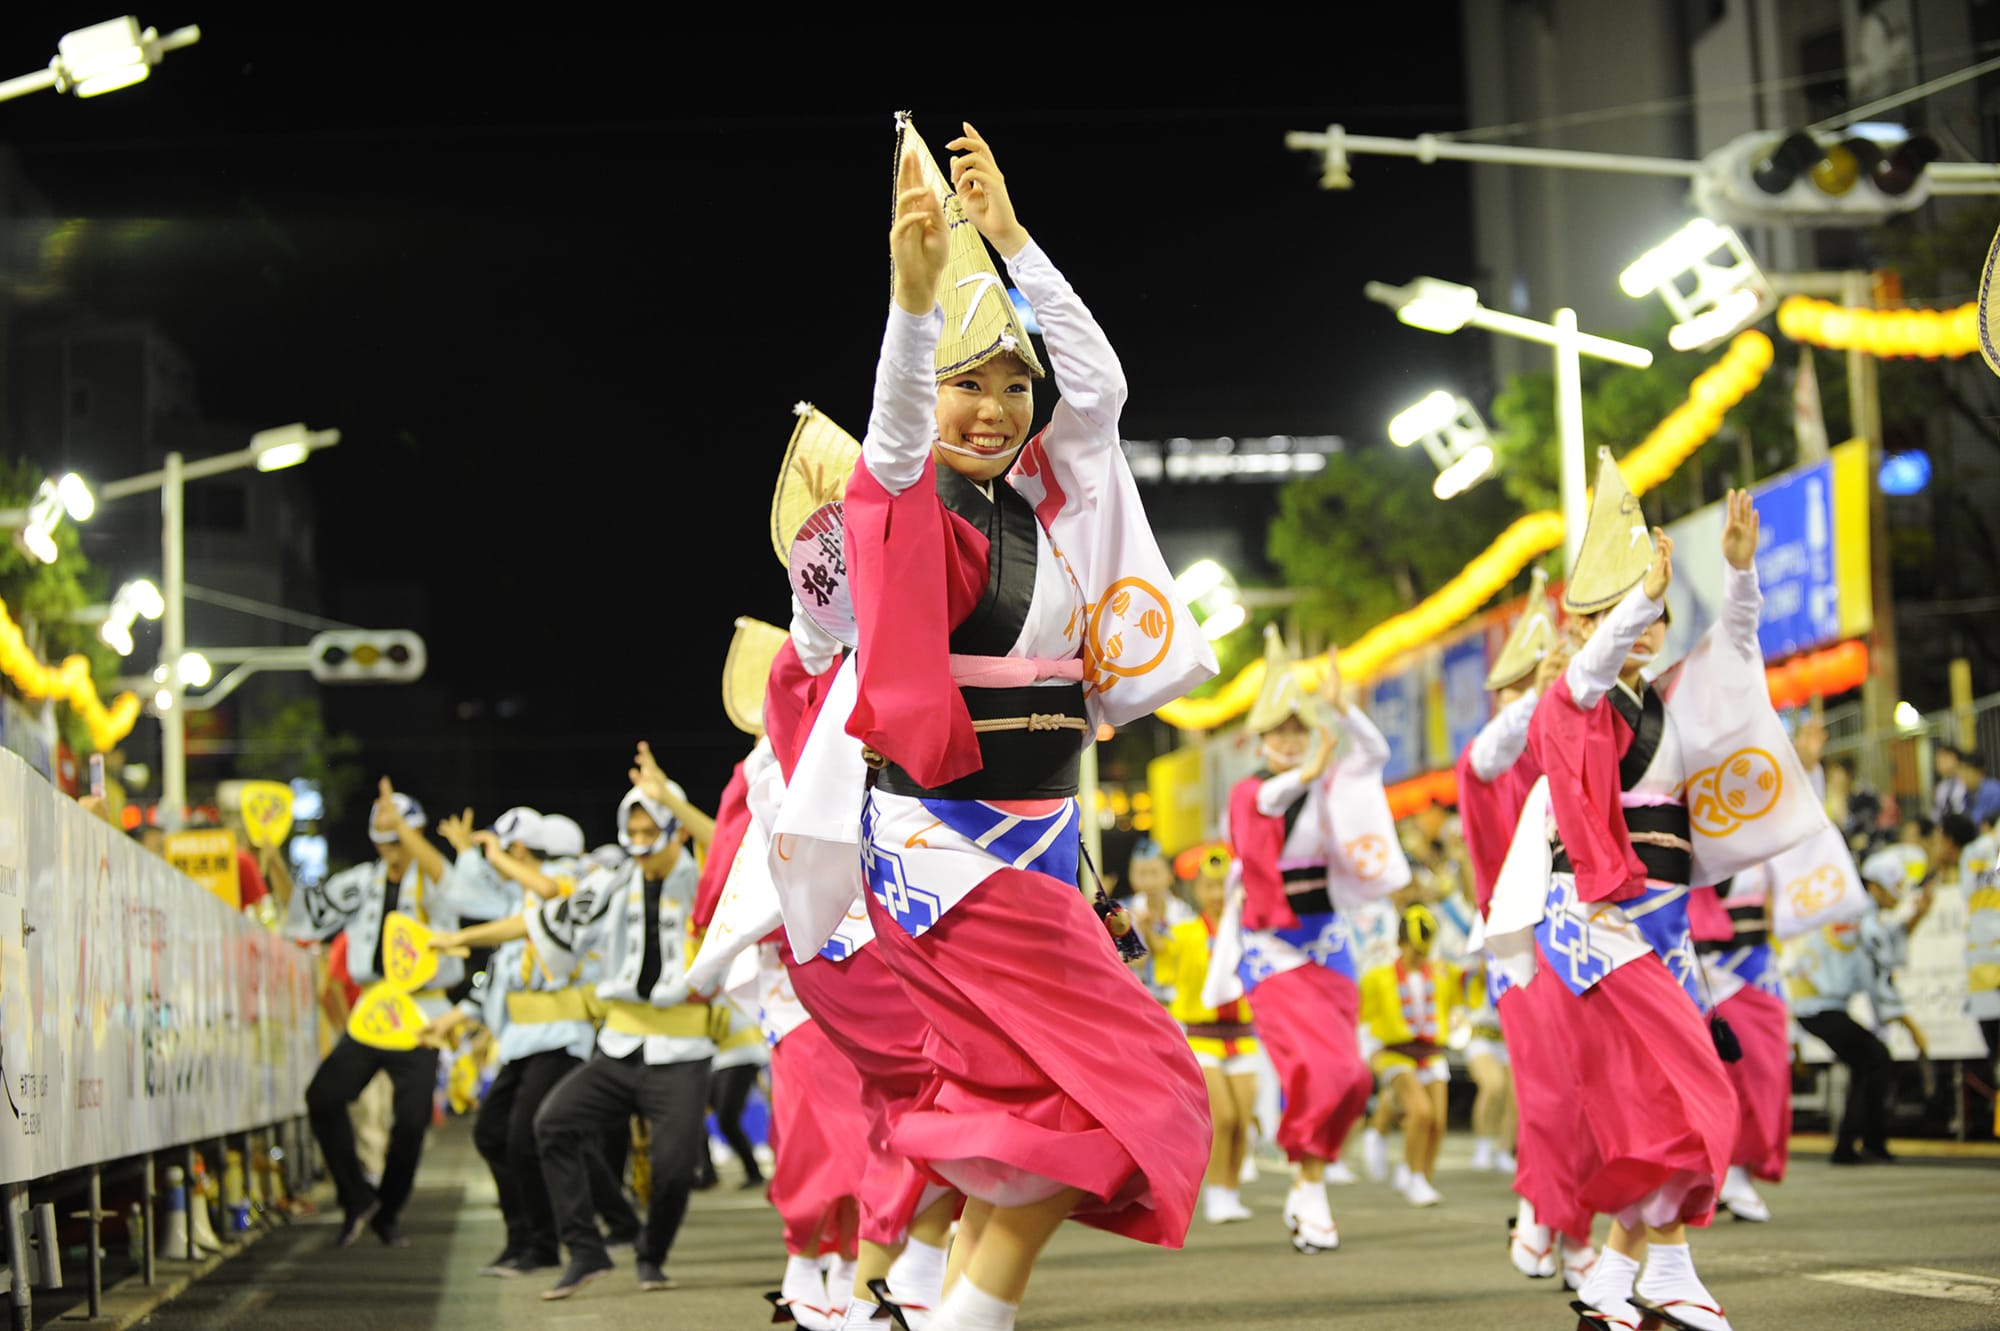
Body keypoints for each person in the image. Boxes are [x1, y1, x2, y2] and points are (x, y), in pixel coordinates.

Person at [775, 118, 1219, 1331]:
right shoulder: (923, 514)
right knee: (1134, 1085)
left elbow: (1103, 389)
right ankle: (961, 1309)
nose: (992, 407)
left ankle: (932, 1294)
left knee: (1028, 1100)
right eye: (968, 384)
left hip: (1034, 843)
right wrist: (912, 315)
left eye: (1011, 381)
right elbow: (891, 452)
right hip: (954, 851)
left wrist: (1014, 241)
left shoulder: (1044, 501)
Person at [1491, 462, 1783, 1331]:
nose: (1644, 623)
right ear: (1581, 626)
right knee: (1691, 1093)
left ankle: (1628, 1279)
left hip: (1666, 922)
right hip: (1596, 920)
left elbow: (1737, 650)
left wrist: (1737, 571)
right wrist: (1637, 599)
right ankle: (1660, 1270)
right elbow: (1588, 675)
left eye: (1651, 608)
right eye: (1619, 611)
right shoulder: (1570, 700)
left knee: (1665, 1106)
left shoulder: (1669, 700)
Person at [433, 751, 717, 1300]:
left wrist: (673, 799)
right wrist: (463, 940)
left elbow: (727, 845)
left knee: (675, 1170)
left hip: (682, 1045)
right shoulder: (611, 884)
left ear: (674, 831)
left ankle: (650, 1254)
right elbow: (542, 919)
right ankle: (584, 1250)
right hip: (619, 1042)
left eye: (648, 827)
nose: (637, 838)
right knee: (552, 1125)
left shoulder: (705, 874)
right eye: (630, 827)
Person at [1220, 627, 1404, 1253]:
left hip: (1329, 943)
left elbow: (1375, 755)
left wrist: (1345, 708)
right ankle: (1310, 1184)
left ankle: (1309, 1182)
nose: (1291, 742)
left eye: (1299, 730)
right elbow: (1271, 798)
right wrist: (1309, 768)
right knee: (1318, 1070)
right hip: (1273, 951)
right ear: (1260, 739)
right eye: (1280, 733)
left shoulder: (1328, 787)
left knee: (1352, 1076)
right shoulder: (1251, 795)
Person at [422, 806, 640, 1276]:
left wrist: (493, 860)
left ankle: (544, 1244)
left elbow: (546, 891)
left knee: (527, 1137)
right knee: (511, 1135)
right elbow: (502, 961)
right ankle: (560, 1233)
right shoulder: (523, 896)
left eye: (505, 849)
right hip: (523, 1038)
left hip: (563, 1032)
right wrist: (459, 1013)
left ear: (521, 849)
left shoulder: (573, 875)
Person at [284, 778, 491, 1249]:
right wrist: (271, 857)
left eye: (400, 837)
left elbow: (444, 873)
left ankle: (389, 1209)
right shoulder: (361, 882)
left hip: (423, 1014)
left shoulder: (439, 882)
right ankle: (358, 1196)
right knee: (323, 1098)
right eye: (386, 838)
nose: (393, 847)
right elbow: (304, 912)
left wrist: (405, 829)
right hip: (375, 1008)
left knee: (413, 1120)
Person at [1143, 847, 1259, 1225]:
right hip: (1202, 1037)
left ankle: (1230, 1192)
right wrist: (1143, 925)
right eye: (1209, 886)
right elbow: (1157, 951)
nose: (1216, 894)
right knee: (1222, 1117)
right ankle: (1216, 1194)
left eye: (1223, 887)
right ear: (1199, 890)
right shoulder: (1186, 932)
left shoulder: (1248, 932)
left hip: (1242, 1036)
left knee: (1243, 1119)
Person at [1357, 905, 1460, 1207]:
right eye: (1415, 952)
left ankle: (1421, 1176)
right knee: (1420, 1111)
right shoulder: (1377, 977)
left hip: (1431, 1053)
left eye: (1424, 952)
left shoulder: (1441, 972)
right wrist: (1370, 1057)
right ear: (1401, 945)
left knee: (1437, 1121)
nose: (1420, 958)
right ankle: (1411, 1172)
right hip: (1394, 1054)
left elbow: (1468, 987)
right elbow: (1363, 1020)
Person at [1932, 744, 1967, 821]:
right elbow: (1937, 812)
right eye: (1937, 761)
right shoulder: (1941, 787)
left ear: (1955, 758)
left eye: (1944, 759)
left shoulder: (1966, 782)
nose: (1939, 764)